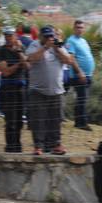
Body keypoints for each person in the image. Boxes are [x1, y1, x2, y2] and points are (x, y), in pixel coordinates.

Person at [26, 25, 72, 155]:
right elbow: (30, 59)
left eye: (51, 36)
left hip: (56, 91)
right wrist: (45, 47)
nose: (49, 39)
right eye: (46, 36)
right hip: (38, 90)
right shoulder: (34, 45)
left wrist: (57, 50)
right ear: (41, 36)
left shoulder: (58, 46)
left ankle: (56, 144)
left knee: (56, 120)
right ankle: (38, 146)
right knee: (38, 120)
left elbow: (68, 61)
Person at [0, 27, 29, 152]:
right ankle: (10, 145)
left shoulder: (21, 49)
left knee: (19, 119)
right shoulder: (1, 51)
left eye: (11, 35)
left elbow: (27, 66)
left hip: (20, 87)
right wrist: (19, 64)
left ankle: (17, 144)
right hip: (7, 88)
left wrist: (20, 52)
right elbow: (5, 72)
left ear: (15, 36)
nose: (8, 38)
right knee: (10, 119)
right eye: (6, 36)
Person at [65, 20, 95, 130]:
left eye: (81, 27)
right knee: (82, 98)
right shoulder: (71, 41)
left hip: (87, 74)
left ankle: (80, 121)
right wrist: (79, 72)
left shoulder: (83, 41)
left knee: (83, 98)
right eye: (77, 27)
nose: (80, 29)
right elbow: (71, 59)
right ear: (74, 28)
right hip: (79, 75)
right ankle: (81, 123)